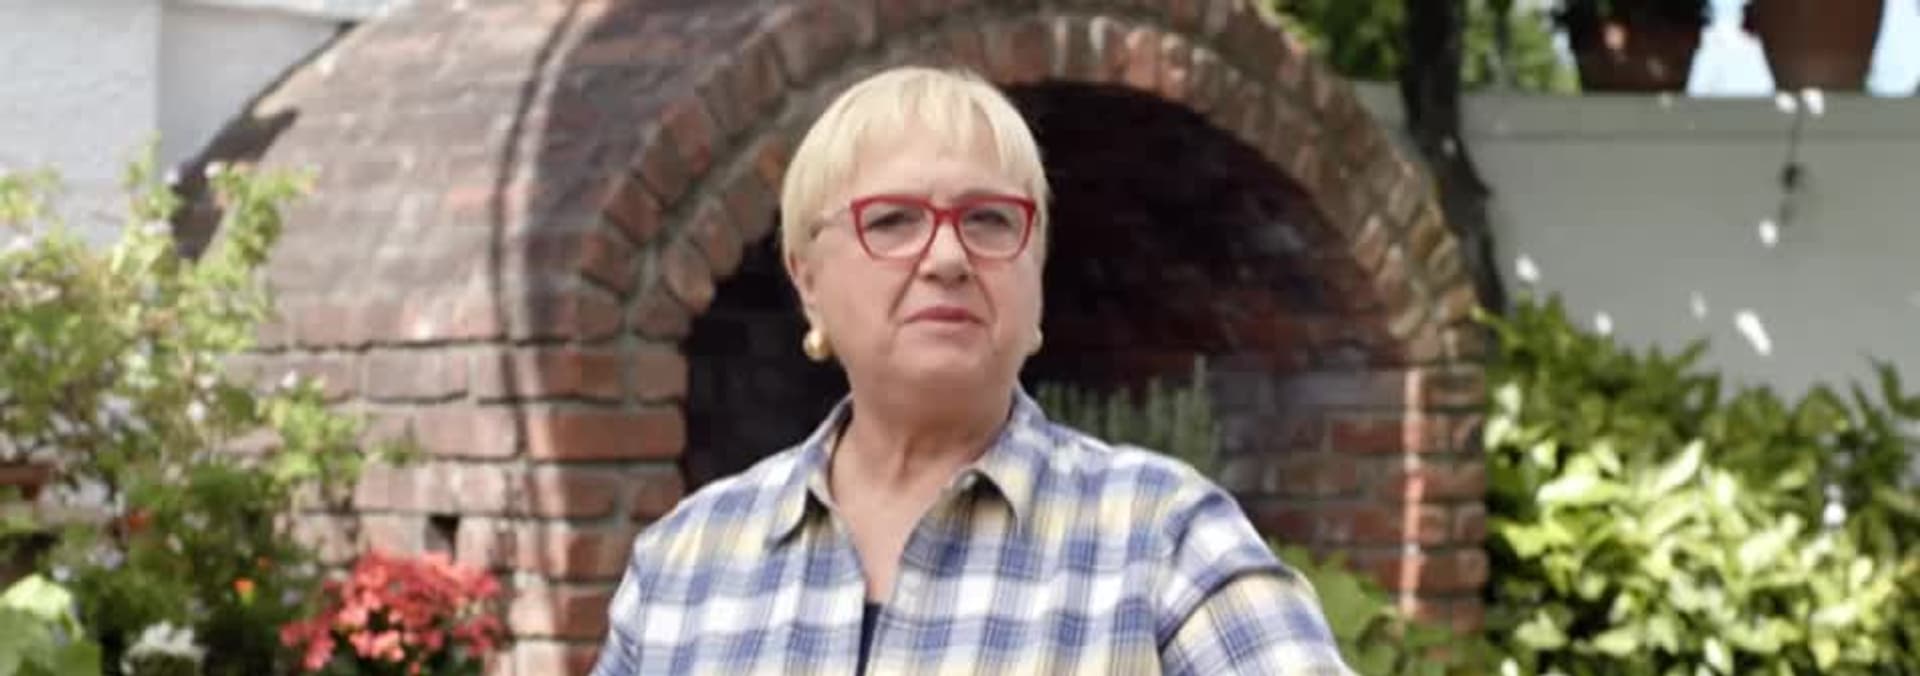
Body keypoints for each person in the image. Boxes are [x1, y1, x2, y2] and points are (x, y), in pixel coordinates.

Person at [590, 66, 1350, 675]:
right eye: (893, 220)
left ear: (1035, 274)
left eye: (989, 220)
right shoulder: (686, 560)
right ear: (807, 278)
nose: (949, 258)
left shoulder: (1161, 538)